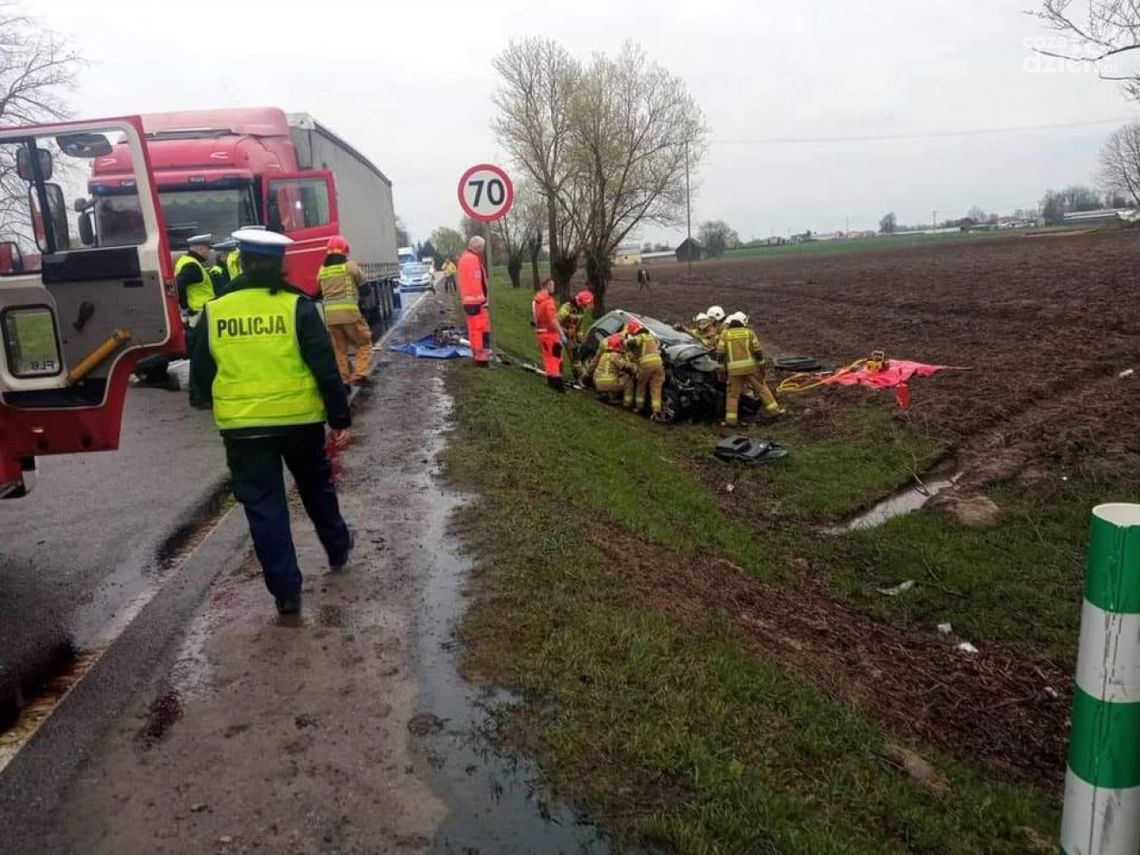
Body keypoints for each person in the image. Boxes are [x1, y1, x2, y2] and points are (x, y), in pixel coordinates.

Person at [189, 228, 353, 617]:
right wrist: (339, 416)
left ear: (241, 262)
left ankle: (286, 592)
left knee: (265, 509)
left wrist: (205, 400)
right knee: (316, 489)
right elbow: (325, 366)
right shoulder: (296, 306)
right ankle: (337, 546)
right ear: (280, 264)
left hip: (243, 430)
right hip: (300, 423)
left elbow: (200, 372)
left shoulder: (215, 310)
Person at [318, 235, 372, 386]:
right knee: (364, 343)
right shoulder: (350, 266)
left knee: (340, 350)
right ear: (345, 251)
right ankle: (359, 374)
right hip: (350, 315)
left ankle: (344, 380)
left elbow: (318, 292)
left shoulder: (322, 270)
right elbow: (366, 289)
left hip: (331, 318)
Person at [716, 311, 785, 426]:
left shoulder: (725, 334)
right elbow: (758, 352)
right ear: (743, 322)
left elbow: (720, 354)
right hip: (751, 369)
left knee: (732, 395)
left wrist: (721, 369)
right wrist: (762, 366)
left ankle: (731, 421)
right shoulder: (749, 333)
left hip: (734, 371)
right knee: (762, 389)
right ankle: (776, 412)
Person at [458, 236, 492, 365]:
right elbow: (477, 280)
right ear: (477, 247)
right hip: (476, 300)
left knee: (474, 329)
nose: (483, 250)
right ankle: (480, 357)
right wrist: (483, 298)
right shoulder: (473, 259)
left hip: (469, 300)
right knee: (479, 329)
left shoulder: (464, 258)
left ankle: (478, 353)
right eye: (482, 248)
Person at [624, 319, 666, 421]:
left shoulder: (640, 336)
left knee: (641, 384)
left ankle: (639, 408)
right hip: (659, 364)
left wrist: (626, 341)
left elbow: (632, 342)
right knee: (656, 388)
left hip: (646, 364)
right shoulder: (652, 337)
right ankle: (656, 411)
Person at [532, 277, 567, 391]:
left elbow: (536, 317)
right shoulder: (549, 302)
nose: (554, 288)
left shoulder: (536, 300)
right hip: (551, 334)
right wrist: (561, 333)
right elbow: (553, 320)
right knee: (556, 358)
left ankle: (550, 379)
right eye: (553, 285)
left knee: (547, 357)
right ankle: (557, 383)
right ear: (548, 286)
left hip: (540, 333)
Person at [177, 234, 217, 327]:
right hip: (199, 313)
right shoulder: (192, 265)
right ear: (200, 248)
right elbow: (179, 284)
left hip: (198, 312)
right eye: (208, 249)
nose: (209, 252)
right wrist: (184, 307)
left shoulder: (185, 260)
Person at [558, 289, 595, 377]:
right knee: (558, 356)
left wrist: (579, 337)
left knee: (576, 359)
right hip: (559, 334)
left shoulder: (581, 311)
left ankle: (578, 379)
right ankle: (557, 376)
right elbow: (556, 323)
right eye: (585, 305)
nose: (586, 307)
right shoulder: (566, 308)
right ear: (581, 302)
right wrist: (564, 332)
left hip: (571, 337)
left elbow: (579, 327)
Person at [590, 333, 635, 407]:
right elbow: (626, 366)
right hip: (608, 383)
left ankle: (608, 395)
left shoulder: (604, 354)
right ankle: (627, 404)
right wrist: (634, 366)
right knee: (628, 382)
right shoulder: (616, 356)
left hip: (598, 382)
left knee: (616, 377)